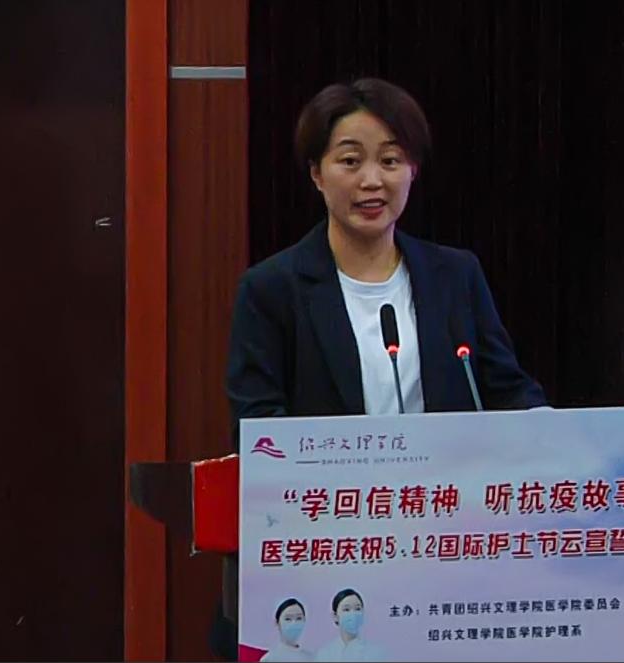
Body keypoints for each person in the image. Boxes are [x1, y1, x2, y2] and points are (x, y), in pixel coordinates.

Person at [212, 77, 546, 659]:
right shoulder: (272, 290)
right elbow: (257, 427)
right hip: (326, 552)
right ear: (316, 174)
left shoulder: (454, 276)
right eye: (350, 161)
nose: (372, 180)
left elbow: (504, 389)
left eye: (390, 160)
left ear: (412, 170)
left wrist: (559, 434)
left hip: (443, 548)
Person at [315, 589, 387, 662]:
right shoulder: (325, 654)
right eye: (346, 609)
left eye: (357, 609)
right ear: (335, 616)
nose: (353, 614)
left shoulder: (376, 653)